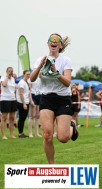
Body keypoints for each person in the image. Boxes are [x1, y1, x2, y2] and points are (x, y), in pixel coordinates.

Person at [30, 33, 79, 164]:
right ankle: (52, 166)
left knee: (63, 138)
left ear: (60, 45)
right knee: (47, 135)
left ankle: (72, 126)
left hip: (63, 99)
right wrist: (40, 66)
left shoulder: (65, 60)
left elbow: (68, 82)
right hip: (46, 98)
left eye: (57, 40)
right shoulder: (41, 59)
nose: (54, 42)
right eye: (51, 39)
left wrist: (56, 71)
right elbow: (32, 78)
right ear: (48, 43)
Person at [0, 67, 17, 139]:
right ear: (6, 71)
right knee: (4, 118)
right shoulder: (3, 78)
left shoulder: (13, 79)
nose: (11, 72)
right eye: (9, 71)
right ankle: (3, 135)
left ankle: (11, 134)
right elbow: (4, 84)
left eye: (12, 71)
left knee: (12, 118)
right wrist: (7, 76)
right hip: (5, 99)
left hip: (12, 99)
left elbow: (13, 88)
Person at [16, 70, 31, 138]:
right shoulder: (22, 83)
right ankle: (20, 133)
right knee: (22, 118)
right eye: (27, 74)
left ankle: (21, 132)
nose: (28, 75)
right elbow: (21, 93)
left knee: (23, 118)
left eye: (29, 74)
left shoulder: (26, 82)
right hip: (22, 102)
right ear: (24, 74)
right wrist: (24, 103)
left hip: (26, 101)